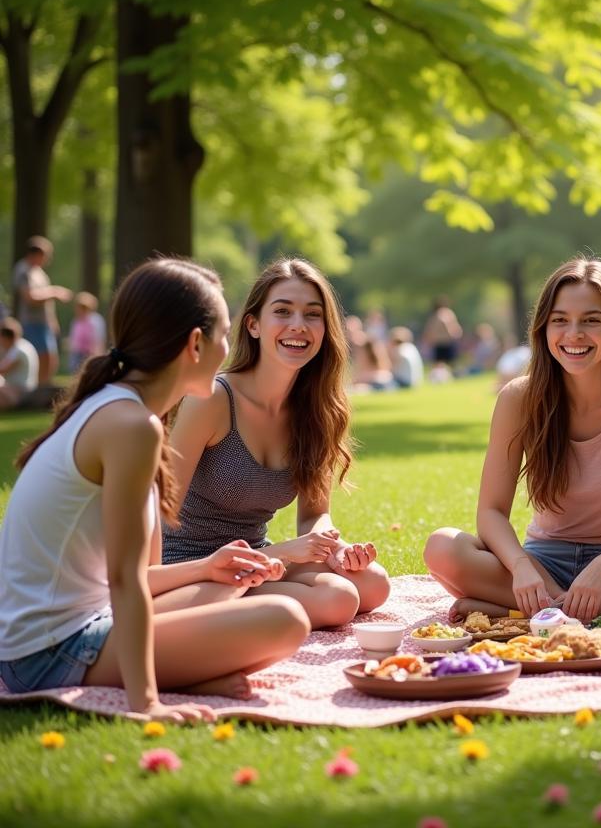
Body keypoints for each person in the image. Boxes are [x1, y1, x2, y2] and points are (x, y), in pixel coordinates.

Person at [0, 258, 310, 719]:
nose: (229, 349)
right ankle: (174, 679)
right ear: (195, 343)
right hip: (48, 653)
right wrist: (147, 704)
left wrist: (207, 566)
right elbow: (125, 581)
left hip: (76, 625)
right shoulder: (131, 426)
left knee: (228, 586)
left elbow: (136, 578)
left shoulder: (120, 409)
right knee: (285, 619)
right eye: (225, 334)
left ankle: (193, 673)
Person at [424, 256, 601, 624]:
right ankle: (568, 609)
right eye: (560, 321)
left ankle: (526, 613)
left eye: (591, 320)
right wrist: (522, 567)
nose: (574, 334)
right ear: (543, 329)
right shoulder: (518, 399)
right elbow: (491, 513)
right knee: (442, 547)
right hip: (542, 563)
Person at [165, 257, 390, 629]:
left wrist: (333, 548)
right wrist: (282, 553)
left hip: (259, 560)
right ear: (253, 325)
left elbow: (314, 514)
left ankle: (255, 601)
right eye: (283, 311)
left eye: (312, 315)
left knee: (374, 584)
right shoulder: (213, 400)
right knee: (339, 599)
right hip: (190, 565)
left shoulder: (318, 410)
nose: (298, 326)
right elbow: (158, 511)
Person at [11, 236, 72, 385]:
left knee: (51, 359)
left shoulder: (39, 272)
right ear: (37, 253)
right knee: (39, 358)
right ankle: (36, 392)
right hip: (31, 322)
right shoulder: (23, 270)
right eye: (46, 255)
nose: (48, 260)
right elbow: (29, 297)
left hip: (44, 323)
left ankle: (43, 390)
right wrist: (55, 292)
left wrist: (52, 321)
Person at [0, 318, 39, 410]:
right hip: (20, 389)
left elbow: (2, 370)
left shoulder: (18, 350)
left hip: (20, 392)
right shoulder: (21, 346)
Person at [422, 296, 463, 376]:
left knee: (443, 363)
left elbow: (431, 328)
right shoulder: (447, 313)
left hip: (442, 342)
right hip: (445, 341)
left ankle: (453, 375)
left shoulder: (439, 314)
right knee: (448, 363)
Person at [67, 291, 107, 372]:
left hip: (91, 353)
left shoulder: (96, 321)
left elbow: (99, 338)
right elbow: (73, 338)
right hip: (77, 353)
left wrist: (98, 353)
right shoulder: (76, 321)